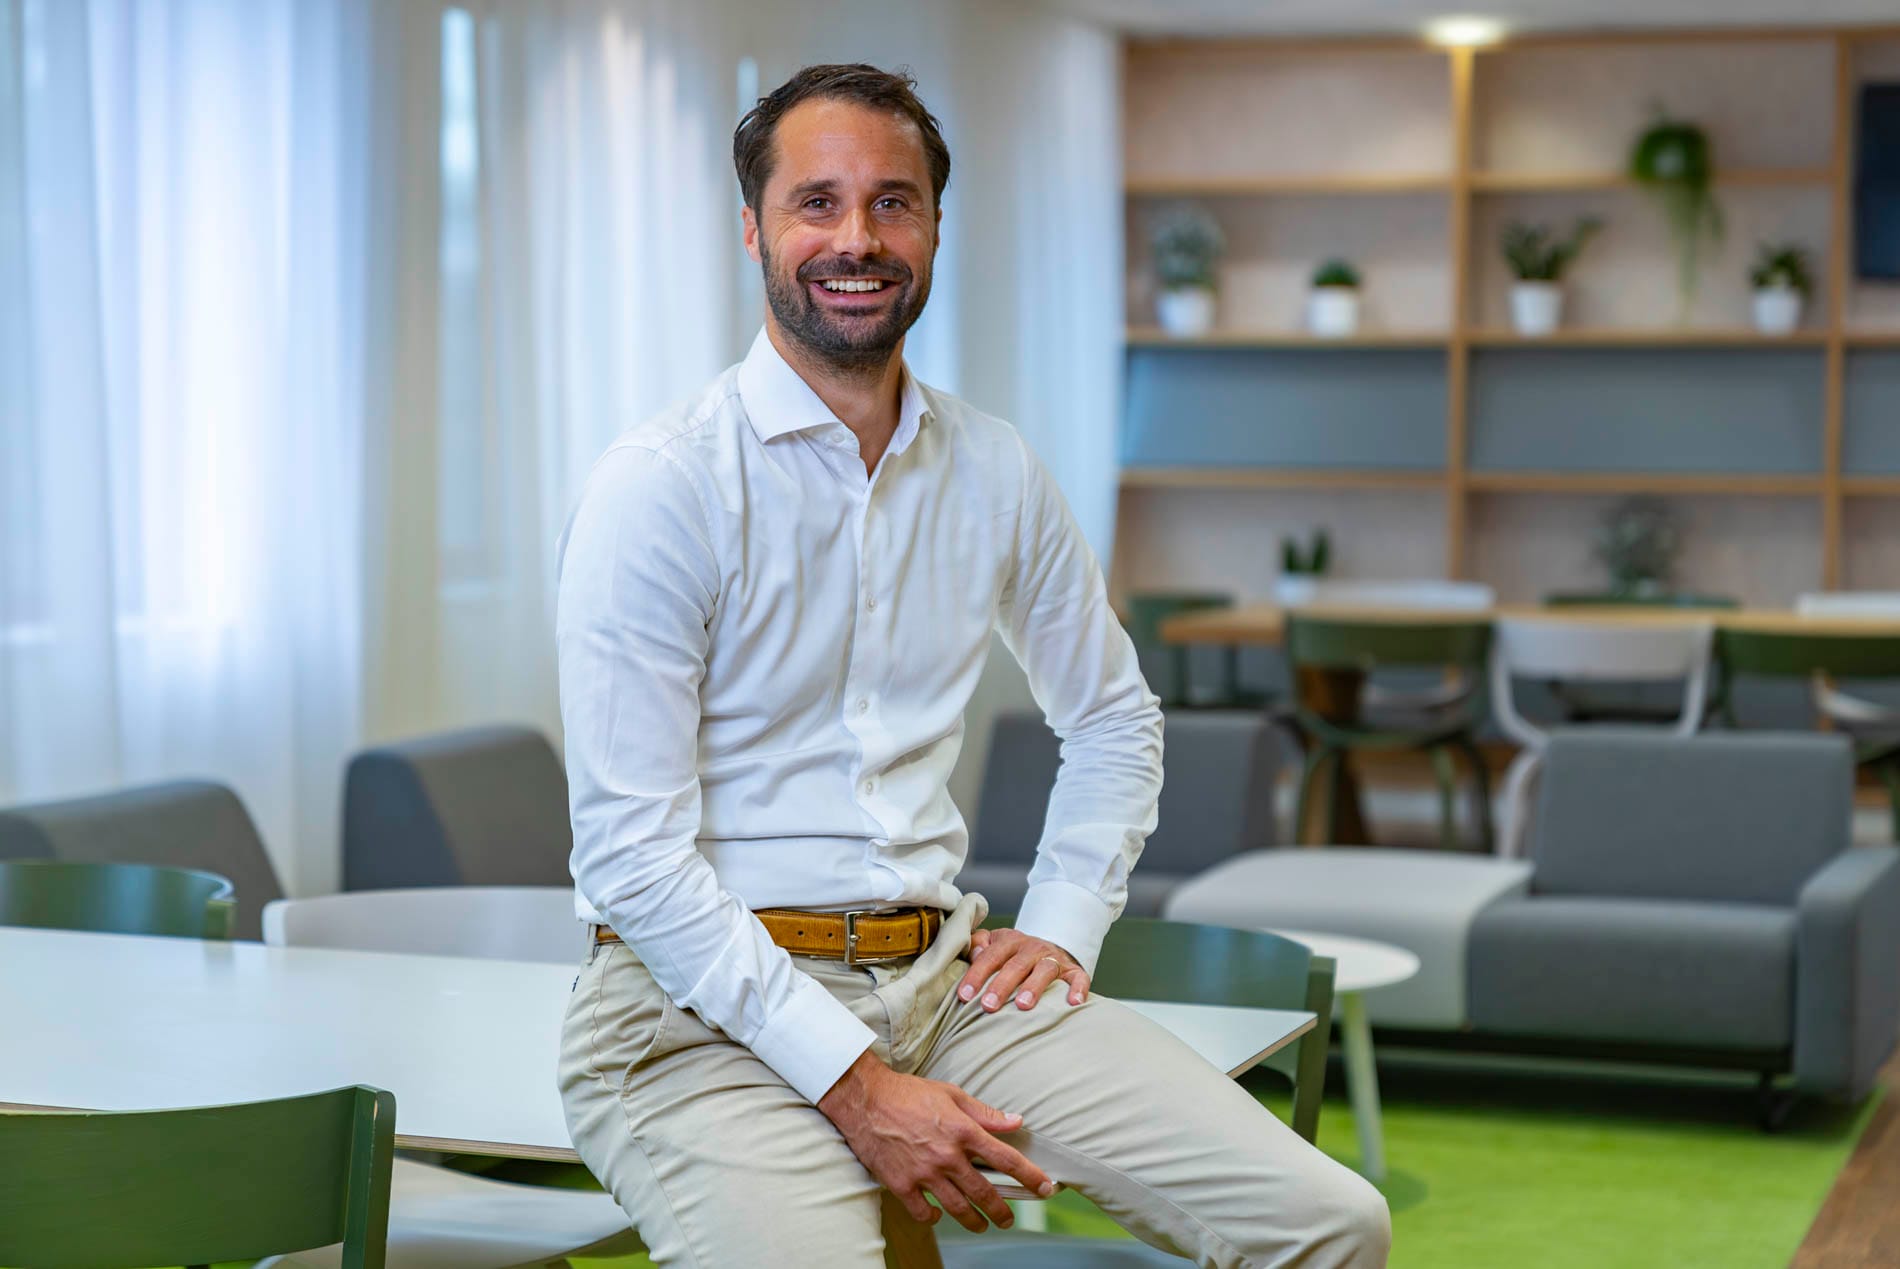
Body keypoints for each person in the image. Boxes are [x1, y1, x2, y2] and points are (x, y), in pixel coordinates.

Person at [555, 61, 1390, 1268]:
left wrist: (1062, 924)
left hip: (946, 992)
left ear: (936, 227)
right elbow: (630, 859)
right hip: (692, 1019)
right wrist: (855, 1085)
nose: (857, 238)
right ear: (753, 229)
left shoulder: (992, 469)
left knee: (1330, 1224)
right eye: (816, 202)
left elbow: (1112, 718)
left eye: (892, 202)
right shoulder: (664, 485)